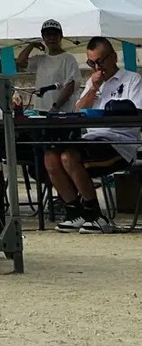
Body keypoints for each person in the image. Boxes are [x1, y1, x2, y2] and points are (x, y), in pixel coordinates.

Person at [44, 36, 142, 234]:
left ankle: (94, 213)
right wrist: (94, 89)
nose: (97, 67)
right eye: (91, 63)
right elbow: (79, 109)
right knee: (51, 157)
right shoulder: (93, 81)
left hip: (118, 142)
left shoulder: (132, 79)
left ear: (113, 57)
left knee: (69, 156)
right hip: (92, 138)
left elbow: (137, 113)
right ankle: (74, 211)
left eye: (100, 61)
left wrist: (115, 111)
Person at [16, 19, 80, 112]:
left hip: (61, 112)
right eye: (48, 35)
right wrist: (31, 45)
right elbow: (20, 62)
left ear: (61, 37)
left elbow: (70, 86)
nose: (51, 38)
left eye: (55, 35)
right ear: (43, 38)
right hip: (41, 110)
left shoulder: (68, 58)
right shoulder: (40, 59)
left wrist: (56, 107)